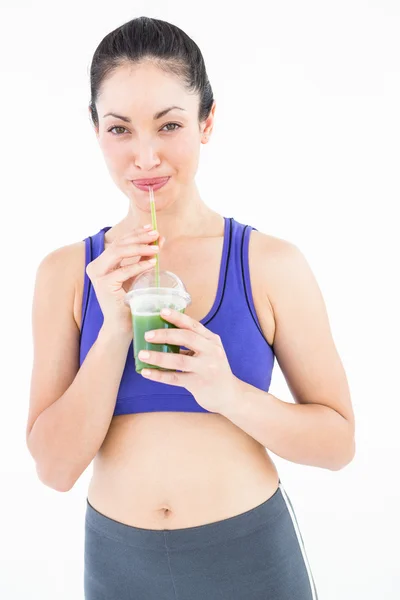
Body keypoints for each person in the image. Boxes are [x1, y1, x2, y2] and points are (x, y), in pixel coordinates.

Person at [26, 16, 355, 600]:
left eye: (169, 124)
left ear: (206, 121)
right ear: (95, 130)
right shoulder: (67, 275)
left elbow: (337, 445)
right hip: (118, 566)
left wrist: (225, 390)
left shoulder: (268, 263)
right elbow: (53, 470)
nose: (146, 157)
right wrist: (114, 329)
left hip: (250, 558)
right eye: (120, 129)